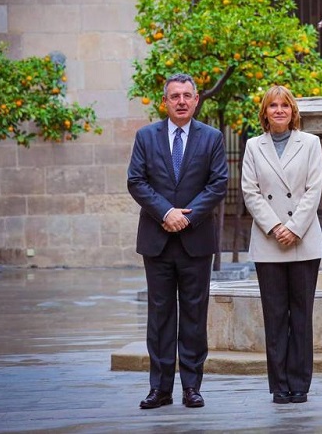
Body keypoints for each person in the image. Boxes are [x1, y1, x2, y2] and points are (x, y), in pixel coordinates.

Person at [127, 73, 229, 409]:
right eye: (175, 96)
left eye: (187, 95)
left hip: (196, 241)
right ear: (165, 101)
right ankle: (160, 388)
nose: (181, 101)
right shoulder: (146, 137)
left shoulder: (212, 138)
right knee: (159, 316)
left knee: (194, 316)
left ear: (196, 99)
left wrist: (186, 216)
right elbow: (136, 181)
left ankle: (191, 387)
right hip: (156, 240)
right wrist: (166, 212)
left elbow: (218, 184)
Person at [241, 85, 322, 405]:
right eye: (273, 106)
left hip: (304, 241)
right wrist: (277, 226)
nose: (279, 110)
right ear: (265, 112)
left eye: (285, 106)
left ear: (293, 112)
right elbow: (250, 193)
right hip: (269, 241)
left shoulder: (311, 143)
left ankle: (300, 384)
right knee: (275, 316)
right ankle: (279, 385)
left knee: (301, 316)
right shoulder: (253, 146)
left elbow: (313, 189)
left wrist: (293, 227)